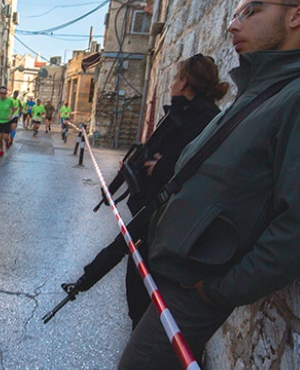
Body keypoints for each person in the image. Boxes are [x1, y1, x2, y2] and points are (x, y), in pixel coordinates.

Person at [118, 1, 300, 368]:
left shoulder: (296, 98)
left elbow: (297, 226)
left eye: (251, 11)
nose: (233, 26)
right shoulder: (261, 89)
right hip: (173, 267)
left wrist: (220, 290)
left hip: (194, 287)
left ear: (297, 15)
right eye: (234, 14)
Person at [66, 54, 229, 330]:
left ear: (185, 82)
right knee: (139, 290)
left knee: (147, 298)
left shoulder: (203, 119)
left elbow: (194, 169)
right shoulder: (186, 113)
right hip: (156, 216)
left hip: (167, 222)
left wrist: (161, 167)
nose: (172, 84)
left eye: (176, 78)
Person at [0, 86, 16, 157]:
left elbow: (13, 109)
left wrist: (11, 115)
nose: (3, 94)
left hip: (7, 121)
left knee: (5, 137)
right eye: (1, 93)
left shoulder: (9, 101)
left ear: (6, 93)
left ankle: (7, 142)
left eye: (4, 93)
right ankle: (1, 150)